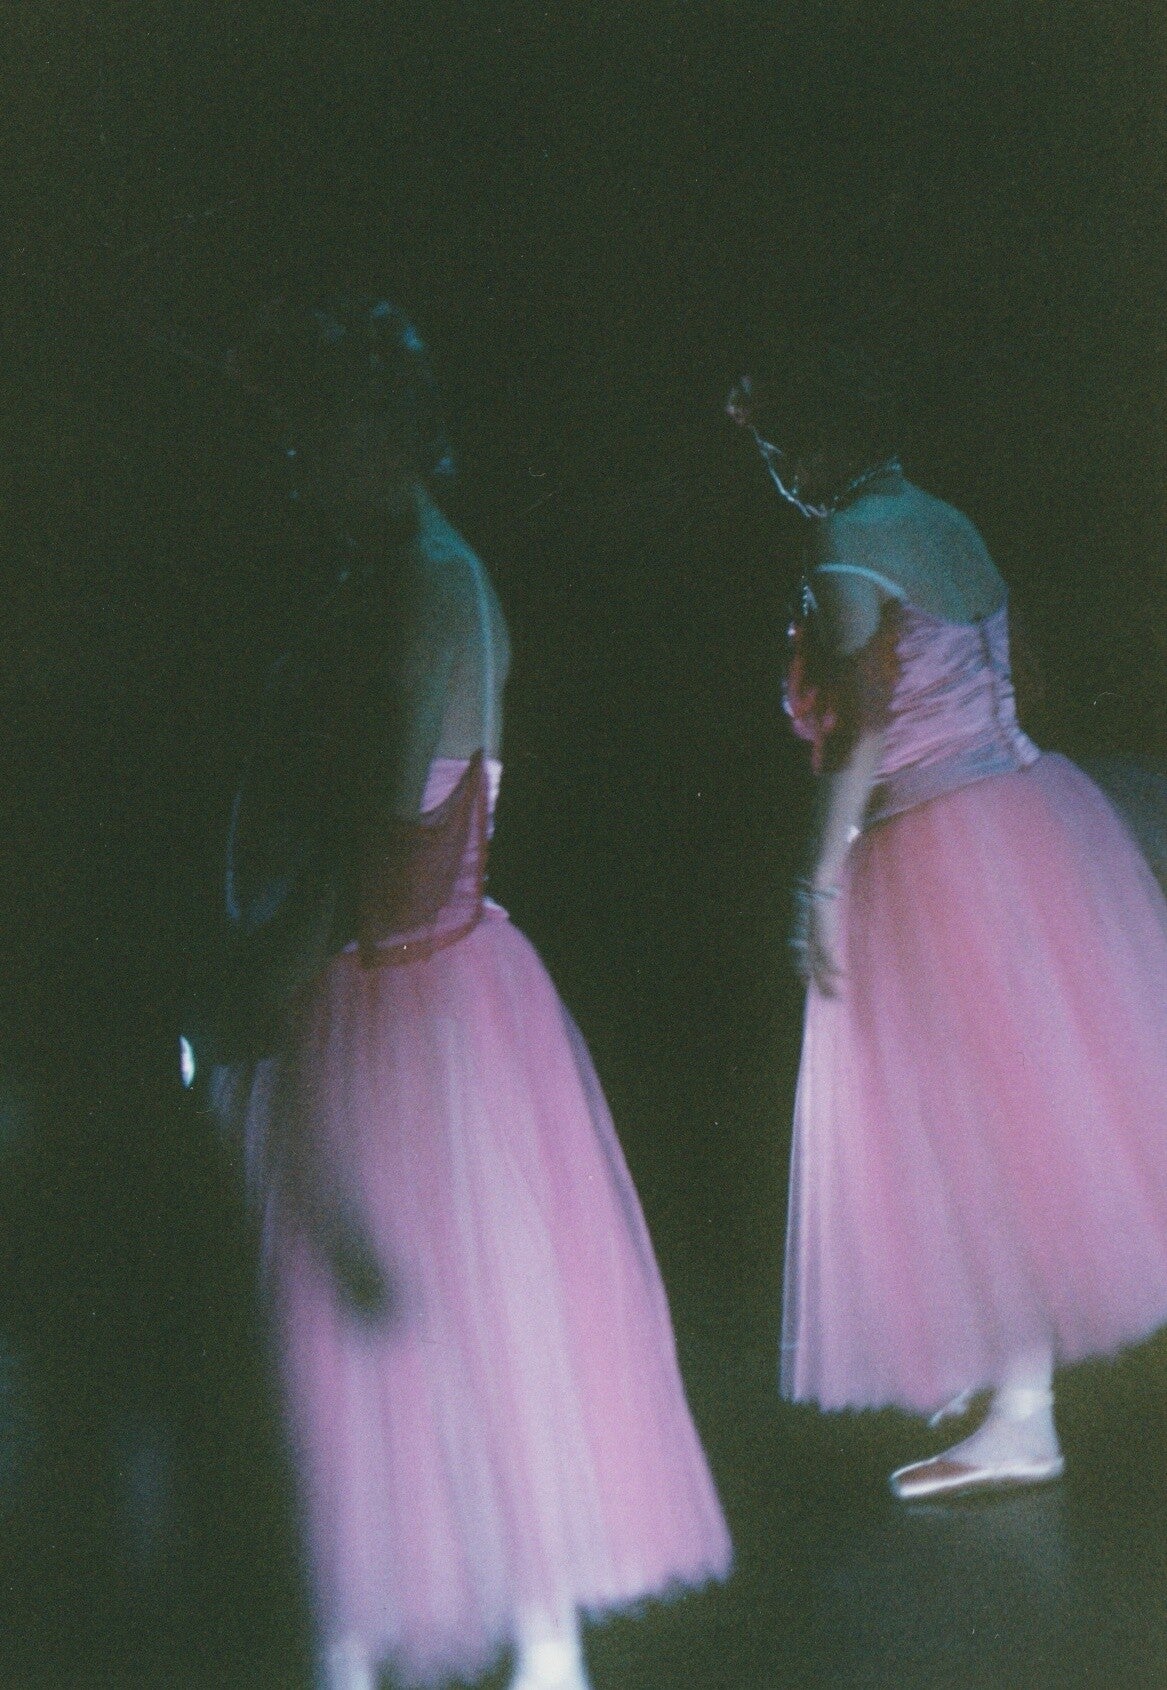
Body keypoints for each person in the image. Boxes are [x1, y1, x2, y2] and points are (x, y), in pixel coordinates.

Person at [212, 297, 730, 1690]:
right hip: (386, 985)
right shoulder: (376, 579)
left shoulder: (433, 585)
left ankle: (534, 1644)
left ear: (378, 434)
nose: (294, 467)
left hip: (413, 995)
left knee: (465, 1314)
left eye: (310, 436)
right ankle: (373, 1636)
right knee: (367, 1337)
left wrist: (265, 980)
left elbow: (393, 841)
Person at [729, 347, 1167, 1501]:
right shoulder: (945, 518)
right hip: (1023, 817)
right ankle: (1006, 1384)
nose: (777, 476)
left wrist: (821, 880)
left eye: (778, 451)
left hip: (939, 842)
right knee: (1001, 1120)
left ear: (818, 442)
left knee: (975, 1127)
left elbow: (865, 728)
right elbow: (1018, 675)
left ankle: (1024, 1413)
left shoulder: (844, 540)